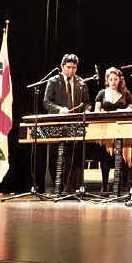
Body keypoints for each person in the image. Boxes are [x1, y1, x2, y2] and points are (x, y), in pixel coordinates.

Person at [43, 53, 93, 195]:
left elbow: (87, 102)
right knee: (53, 155)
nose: (71, 70)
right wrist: (59, 109)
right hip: (56, 123)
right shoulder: (53, 81)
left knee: (73, 155)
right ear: (62, 67)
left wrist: (88, 110)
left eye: (74, 68)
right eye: (69, 67)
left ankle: (70, 188)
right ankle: (52, 188)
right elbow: (46, 102)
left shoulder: (81, 83)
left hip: (74, 123)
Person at [92, 67, 132, 193]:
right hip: (106, 130)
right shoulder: (102, 93)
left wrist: (126, 110)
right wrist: (100, 112)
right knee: (105, 159)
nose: (113, 82)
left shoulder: (126, 93)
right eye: (111, 79)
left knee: (122, 158)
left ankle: (123, 184)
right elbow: (96, 110)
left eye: (116, 79)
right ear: (107, 80)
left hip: (122, 129)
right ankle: (105, 184)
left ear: (120, 80)